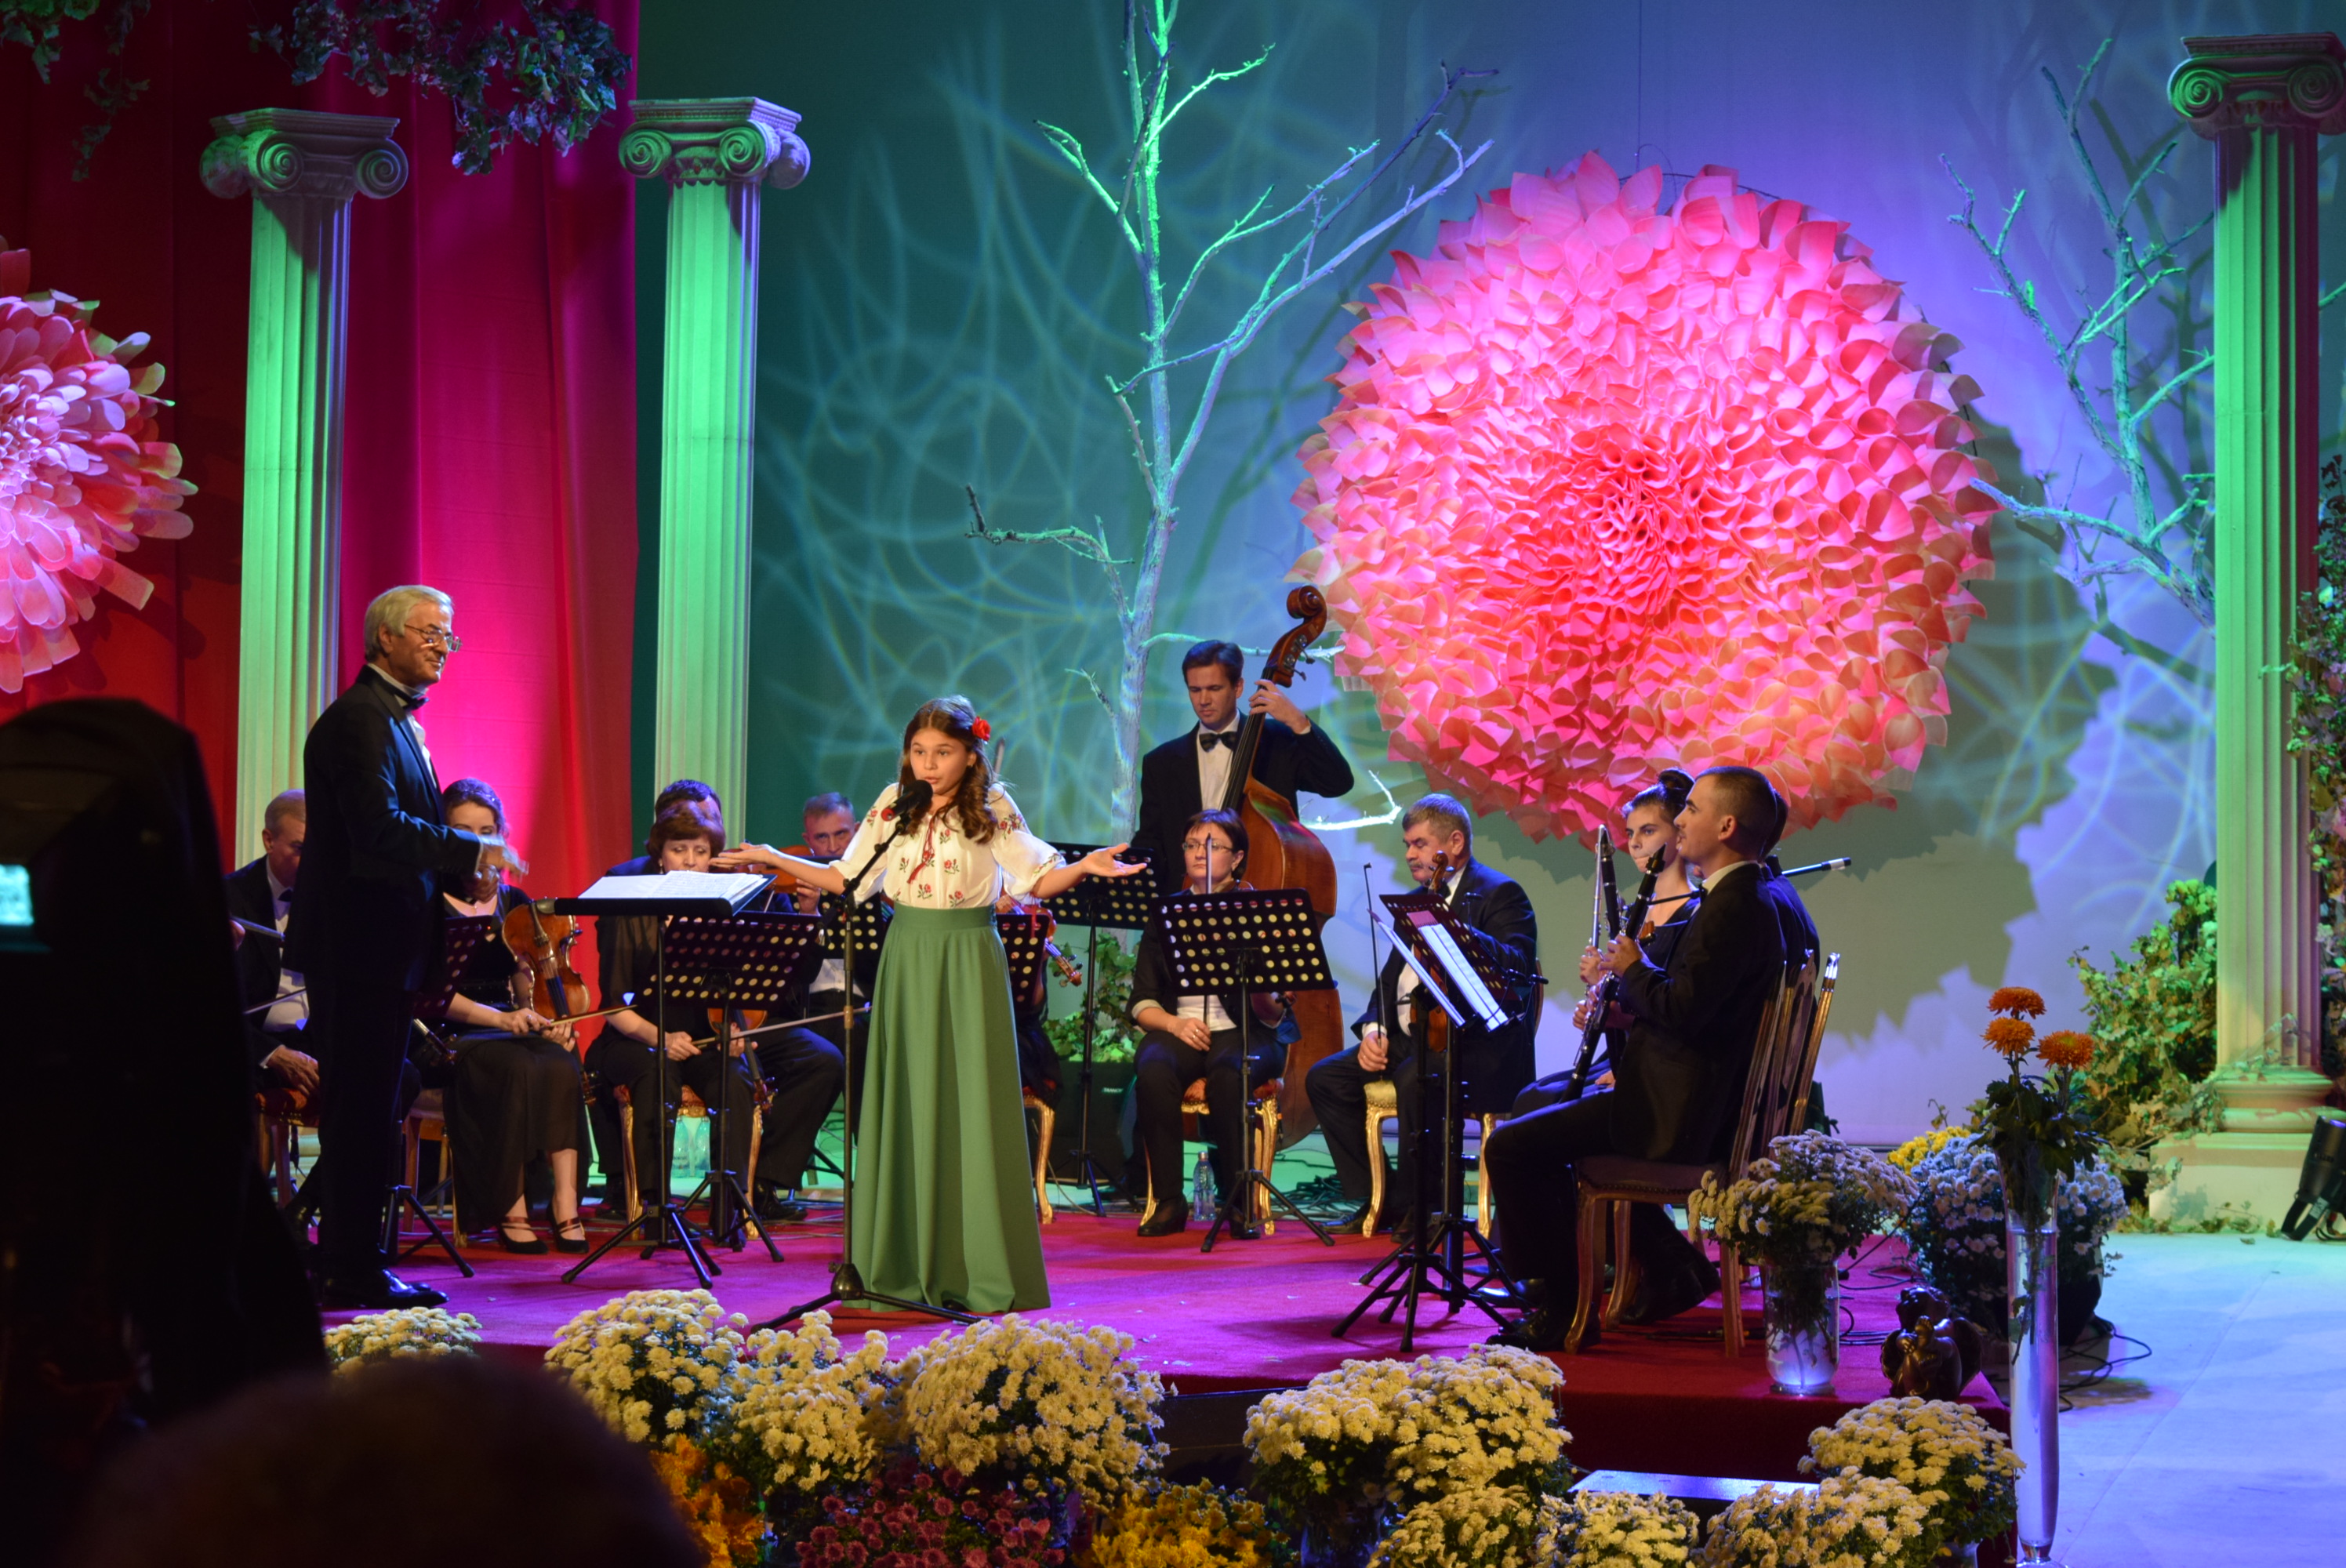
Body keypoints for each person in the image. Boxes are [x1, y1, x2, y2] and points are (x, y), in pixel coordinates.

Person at [718, 695, 1143, 1313]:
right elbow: (847, 879)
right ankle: (900, 1261)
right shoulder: (895, 804)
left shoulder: (992, 805)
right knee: (910, 1100)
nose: (929, 764)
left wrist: (1082, 868)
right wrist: (771, 858)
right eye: (919, 751)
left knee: (971, 1101)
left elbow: (1034, 876)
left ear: (970, 754)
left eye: (942, 752)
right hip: (908, 956)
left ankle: (977, 1266)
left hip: (969, 956)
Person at [1484, 765, 1818, 1351]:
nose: (1680, 819)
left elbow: (1683, 1008)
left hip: (1675, 1113)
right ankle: (1665, 1268)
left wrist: (1632, 967)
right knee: (1541, 1121)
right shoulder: (1753, 894)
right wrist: (1626, 1010)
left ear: (1727, 826)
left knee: (1512, 1147)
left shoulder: (1735, 904)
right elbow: (1705, 1006)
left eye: (1691, 810)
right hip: (1687, 1098)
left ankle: (1560, 1306)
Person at [286, 585, 523, 1310]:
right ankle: (348, 1268)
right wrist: (473, 849)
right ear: (384, 637)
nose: (442, 646)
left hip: (382, 949)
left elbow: (395, 834)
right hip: (359, 948)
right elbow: (378, 830)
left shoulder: (393, 719)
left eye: (448, 636)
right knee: (361, 1110)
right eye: (429, 632)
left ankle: (357, 1260)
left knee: (373, 1104)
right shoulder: (360, 719)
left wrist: (460, 869)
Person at [1306, 793, 1540, 1234]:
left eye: (1419, 844)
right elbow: (1389, 982)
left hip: (1477, 1047)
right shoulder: (1415, 901)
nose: (1410, 854)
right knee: (1326, 1079)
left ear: (1454, 842)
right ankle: (1382, 1197)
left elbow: (1519, 967)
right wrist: (1374, 1030)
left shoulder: (1501, 893)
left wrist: (1456, 931)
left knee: (1416, 1077)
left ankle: (1427, 1206)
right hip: (1413, 1039)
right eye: (1407, 845)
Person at [431, 779, 588, 1254]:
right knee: (516, 1065)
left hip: (508, 1020)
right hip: (450, 1028)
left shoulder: (515, 902)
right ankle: (510, 1205)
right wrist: (502, 1021)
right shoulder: (427, 900)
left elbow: (526, 976)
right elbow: (432, 994)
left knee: (562, 1059)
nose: (479, 844)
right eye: (464, 832)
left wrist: (544, 1015)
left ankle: (565, 1202)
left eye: (487, 832)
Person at [585, 810, 761, 1218]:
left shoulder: (722, 913)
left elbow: (732, 994)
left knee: (734, 1078)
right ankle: (655, 1208)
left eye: (701, 851)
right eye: (679, 850)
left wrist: (736, 1030)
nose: (690, 861)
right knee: (657, 1071)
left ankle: (729, 1210)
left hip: (699, 1039)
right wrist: (661, 1039)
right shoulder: (630, 911)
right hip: (634, 1038)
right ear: (660, 857)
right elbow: (613, 1006)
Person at [1128, 809, 1284, 1238]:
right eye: (1192, 845)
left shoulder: (1258, 911)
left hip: (1245, 1032)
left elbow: (1273, 1013)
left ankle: (1239, 1202)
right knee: (1153, 1066)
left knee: (1229, 1073)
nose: (1199, 853)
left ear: (1237, 858)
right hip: (1183, 1029)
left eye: (1212, 846)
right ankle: (1169, 1201)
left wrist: (1264, 988)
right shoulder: (1166, 914)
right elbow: (1141, 1001)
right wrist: (1174, 1025)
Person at [1508, 769, 1698, 1117]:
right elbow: (1631, 993)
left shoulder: (1693, 913)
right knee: (1530, 1097)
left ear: (1679, 833)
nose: (1635, 843)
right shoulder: (1635, 913)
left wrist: (1623, 1049)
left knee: (1539, 1108)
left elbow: (1668, 1004)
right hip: (1621, 1050)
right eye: (1630, 833)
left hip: (1651, 1060)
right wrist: (1600, 990)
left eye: (1649, 831)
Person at [1132, 639, 1354, 889]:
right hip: (1188, 898)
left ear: (1238, 687)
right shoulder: (1161, 763)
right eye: (1195, 690)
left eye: (1214, 688)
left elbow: (1337, 783)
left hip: (1261, 891)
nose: (1203, 700)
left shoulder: (1278, 741)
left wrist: (1298, 722)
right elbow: (1151, 842)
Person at [223, 789, 325, 1101]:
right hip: (258, 1045)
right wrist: (273, 1053)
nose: (312, 862)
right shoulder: (227, 898)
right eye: (300, 848)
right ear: (269, 840)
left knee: (400, 1076)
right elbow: (212, 1006)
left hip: (317, 1039)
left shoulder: (334, 897)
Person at [604, 779, 724, 877]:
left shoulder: (730, 877)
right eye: (679, 850)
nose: (690, 861)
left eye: (712, 818)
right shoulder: (623, 878)